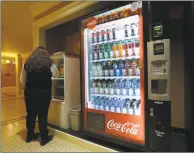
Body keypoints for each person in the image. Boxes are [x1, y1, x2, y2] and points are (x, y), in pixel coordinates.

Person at [20, 46, 59, 146]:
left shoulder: (27, 64)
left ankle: (29, 136)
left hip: (30, 93)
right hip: (44, 94)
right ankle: (44, 138)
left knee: (30, 114)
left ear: (34, 54)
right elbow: (56, 75)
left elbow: (22, 80)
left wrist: (28, 89)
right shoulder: (50, 64)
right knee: (43, 115)